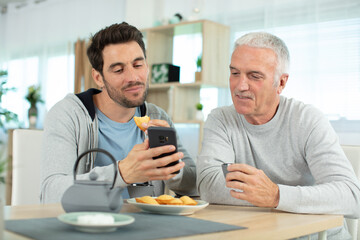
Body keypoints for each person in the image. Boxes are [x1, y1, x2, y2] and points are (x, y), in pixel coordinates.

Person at [197, 32, 360, 239]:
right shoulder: (221, 118)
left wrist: (276, 195)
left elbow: (352, 198)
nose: (240, 86)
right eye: (235, 73)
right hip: (264, 232)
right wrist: (265, 195)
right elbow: (209, 186)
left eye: (254, 76)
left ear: (281, 83)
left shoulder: (307, 119)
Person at [40, 22, 197, 203]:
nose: (133, 77)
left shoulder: (156, 115)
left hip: (145, 226)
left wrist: (170, 165)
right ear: (98, 77)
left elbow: (192, 184)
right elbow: (50, 193)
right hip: (87, 225)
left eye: (138, 65)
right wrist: (122, 173)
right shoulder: (68, 114)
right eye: (118, 70)